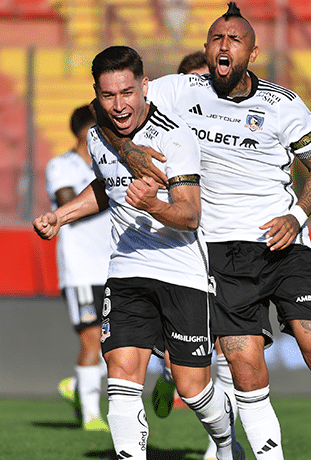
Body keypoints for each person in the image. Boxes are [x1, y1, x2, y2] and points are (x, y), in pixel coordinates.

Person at [91, 4, 311, 459]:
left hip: (284, 245)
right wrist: (129, 150)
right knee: (243, 366)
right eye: (216, 38)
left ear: (252, 51)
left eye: (234, 39)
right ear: (206, 48)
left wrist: (297, 215)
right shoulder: (179, 90)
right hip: (220, 254)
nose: (224, 45)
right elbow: (106, 103)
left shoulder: (283, 104)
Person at [33, 45, 243, 460]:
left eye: (127, 92)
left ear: (144, 86)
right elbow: (106, 187)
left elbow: (189, 214)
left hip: (181, 273)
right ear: (97, 93)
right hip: (126, 269)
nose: (119, 104)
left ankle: (225, 442)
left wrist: (154, 205)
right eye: (108, 95)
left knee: (192, 387)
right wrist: (62, 216)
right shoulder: (97, 137)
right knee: (122, 376)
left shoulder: (173, 137)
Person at [149, 48, 246, 460]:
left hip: (220, 242)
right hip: (175, 245)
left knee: (225, 344)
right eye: (192, 81)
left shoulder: (229, 126)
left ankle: (219, 446)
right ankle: (169, 371)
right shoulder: (163, 132)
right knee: (181, 352)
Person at [46, 104, 110, 432]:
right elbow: (69, 200)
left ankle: (75, 385)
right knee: (92, 340)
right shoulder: (61, 165)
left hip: (117, 264)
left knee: (118, 343)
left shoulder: (113, 162)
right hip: (82, 268)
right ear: (86, 131)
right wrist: (114, 192)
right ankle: (91, 415)